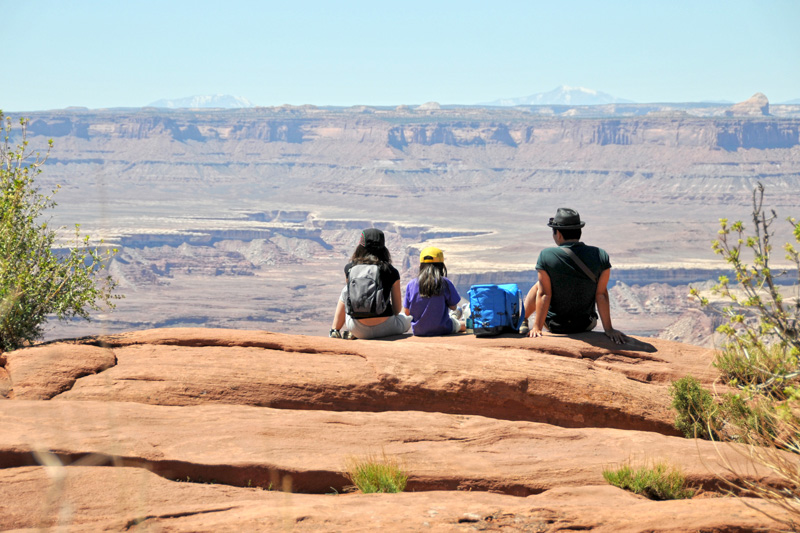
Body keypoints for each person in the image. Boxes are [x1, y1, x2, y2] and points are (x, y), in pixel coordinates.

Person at [521, 208, 627, 344]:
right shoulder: (601, 255)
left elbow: (544, 294)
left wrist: (537, 327)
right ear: (579, 231)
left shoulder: (546, 255)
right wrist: (609, 329)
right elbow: (601, 295)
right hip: (586, 325)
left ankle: (523, 319)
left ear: (558, 233)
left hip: (555, 325)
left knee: (539, 285)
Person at [330, 228, 412, 340]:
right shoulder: (391, 271)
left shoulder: (349, 268)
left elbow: (350, 299)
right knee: (406, 318)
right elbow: (397, 310)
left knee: (346, 290)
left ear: (361, 246)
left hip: (357, 328)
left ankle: (334, 330)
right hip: (387, 329)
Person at [402, 246, 466, 336]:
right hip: (443, 329)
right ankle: (454, 318)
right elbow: (453, 307)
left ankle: (453, 318)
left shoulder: (411, 284)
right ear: (441, 266)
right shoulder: (445, 282)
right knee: (462, 323)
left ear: (421, 265)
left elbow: (407, 312)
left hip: (418, 331)